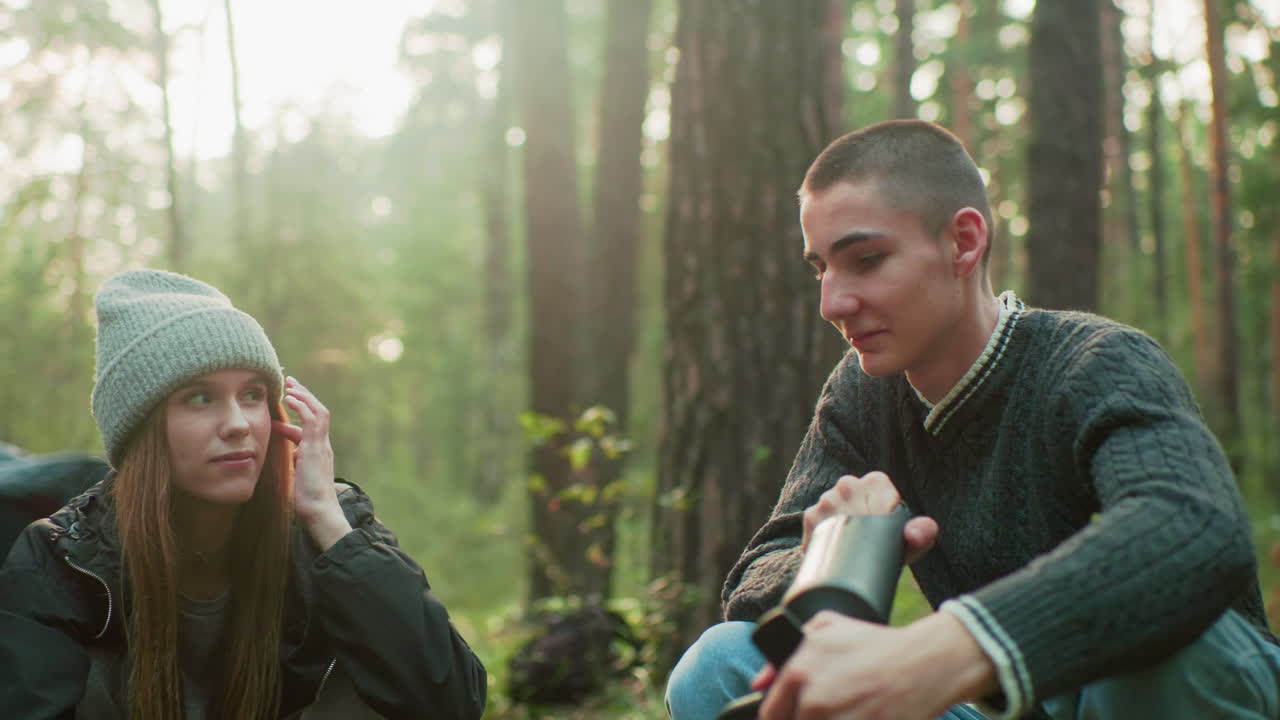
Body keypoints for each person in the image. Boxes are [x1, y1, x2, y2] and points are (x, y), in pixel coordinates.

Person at [664, 120, 1280, 720]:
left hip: (1185, 687)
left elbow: (1193, 529)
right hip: (1003, 707)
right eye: (821, 268)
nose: (832, 303)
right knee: (719, 664)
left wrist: (950, 649)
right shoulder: (863, 394)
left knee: (1156, 632)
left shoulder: (1098, 361)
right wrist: (830, 551)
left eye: (867, 259)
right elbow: (755, 577)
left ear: (963, 241)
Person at [0, 269, 487, 719]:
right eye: (199, 397)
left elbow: (451, 702)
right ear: (142, 432)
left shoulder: (330, 531)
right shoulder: (62, 561)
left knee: (374, 648)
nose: (238, 424)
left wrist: (328, 523)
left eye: (252, 395)